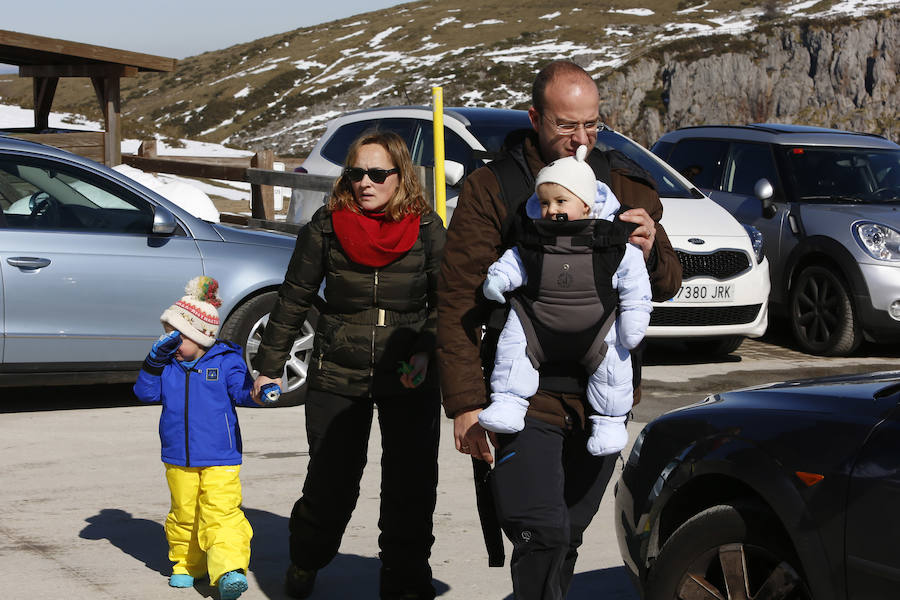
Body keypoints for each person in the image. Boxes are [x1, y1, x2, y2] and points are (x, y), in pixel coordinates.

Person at [436, 60, 682, 599]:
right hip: (523, 396)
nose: (580, 140)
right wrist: (465, 403)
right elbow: (457, 298)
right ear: (534, 117)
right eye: (566, 126)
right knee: (539, 531)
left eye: (591, 125)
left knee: (566, 535)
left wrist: (653, 245)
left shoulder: (623, 183)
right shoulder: (494, 189)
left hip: (603, 397)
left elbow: (664, 285)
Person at [251, 130, 446, 600]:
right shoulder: (325, 225)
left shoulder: (426, 228)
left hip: (408, 372)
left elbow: (449, 302)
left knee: (410, 487)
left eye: (378, 174)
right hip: (337, 370)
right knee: (330, 483)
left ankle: (404, 583)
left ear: (401, 176)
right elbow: (294, 297)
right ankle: (306, 559)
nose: (365, 183)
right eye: (356, 173)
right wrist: (269, 364)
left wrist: (425, 350)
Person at [477, 144, 652, 457]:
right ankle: (508, 402)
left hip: (596, 332)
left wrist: (635, 319)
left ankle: (609, 421)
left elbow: (634, 280)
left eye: (561, 200)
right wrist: (499, 280)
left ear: (586, 205)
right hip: (537, 328)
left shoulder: (610, 240)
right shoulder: (533, 239)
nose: (551, 209)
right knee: (513, 346)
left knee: (614, 364)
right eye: (544, 203)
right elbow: (514, 261)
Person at [133, 276, 256, 600]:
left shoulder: (226, 361)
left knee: (221, 512)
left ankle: (229, 570)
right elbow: (145, 393)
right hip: (178, 456)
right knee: (184, 514)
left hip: (220, 455)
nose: (170, 342)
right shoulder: (169, 366)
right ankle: (188, 566)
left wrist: (260, 391)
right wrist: (153, 362)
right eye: (167, 334)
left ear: (200, 336)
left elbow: (243, 393)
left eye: (176, 336)